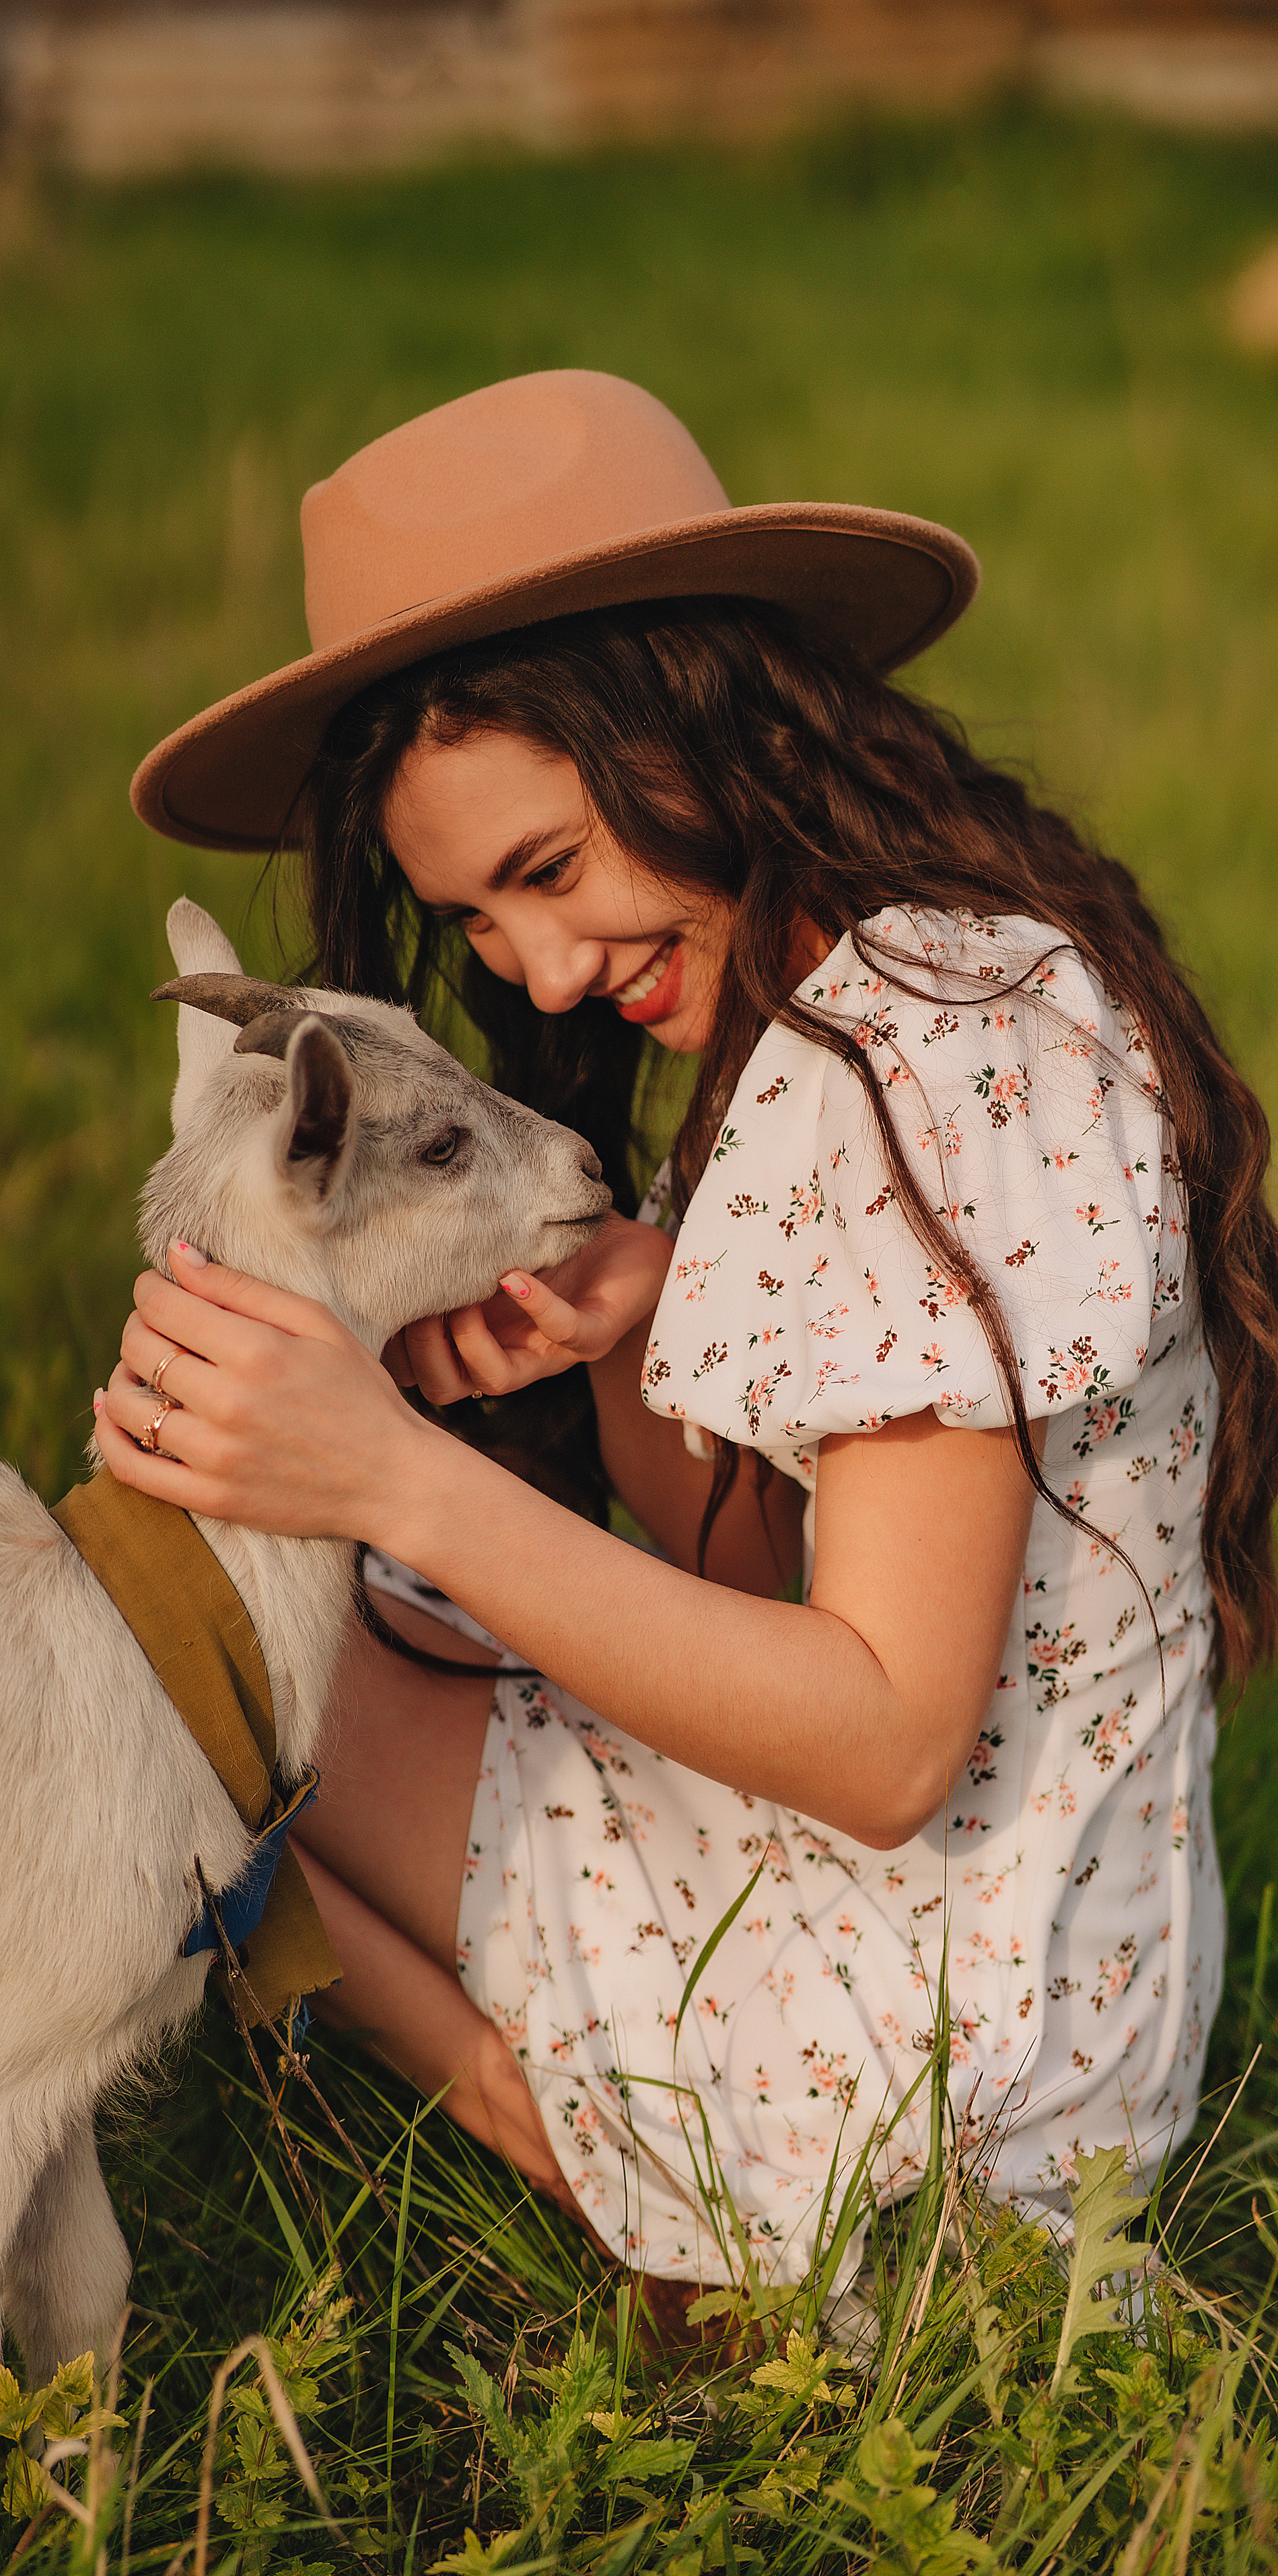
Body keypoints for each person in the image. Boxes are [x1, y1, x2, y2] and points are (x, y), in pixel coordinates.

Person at [95, 371, 1278, 2294]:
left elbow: (887, 1738)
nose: (540, 970)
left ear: (698, 715)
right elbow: (767, 1573)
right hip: (1059, 2041)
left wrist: (396, 1471)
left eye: (551, 871)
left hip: (909, 2074)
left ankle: (527, 2115)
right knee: (301, 1619)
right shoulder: (919, 984)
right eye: (473, 921)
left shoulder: (905, 1058)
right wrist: (644, 1337)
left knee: (169, 1654)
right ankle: (523, 2092)